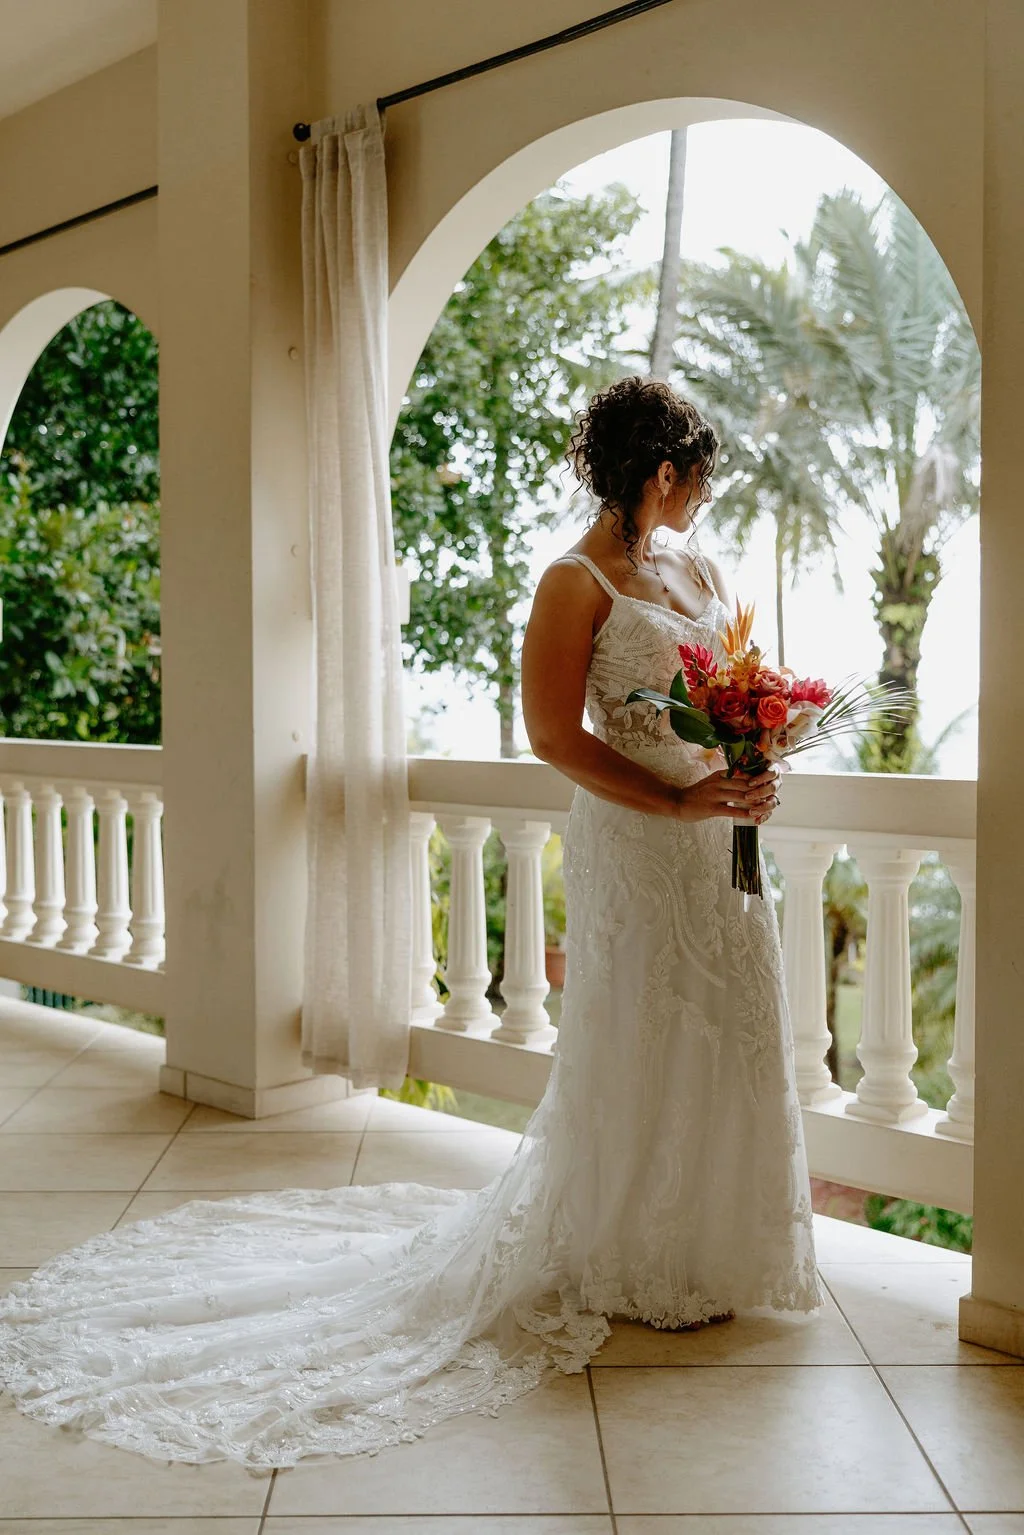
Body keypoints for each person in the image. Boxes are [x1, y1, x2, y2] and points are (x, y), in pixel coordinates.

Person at [0, 377, 825, 1471]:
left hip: (718, 832)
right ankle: (633, 1250)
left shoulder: (701, 568)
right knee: (642, 1025)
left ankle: (722, 1252)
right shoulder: (570, 583)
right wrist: (673, 796)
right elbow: (551, 735)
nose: (705, 498)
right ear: (661, 472)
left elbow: (735, 685)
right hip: (639, 836)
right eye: (698, 477)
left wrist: (747, 765)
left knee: (730, 1022)